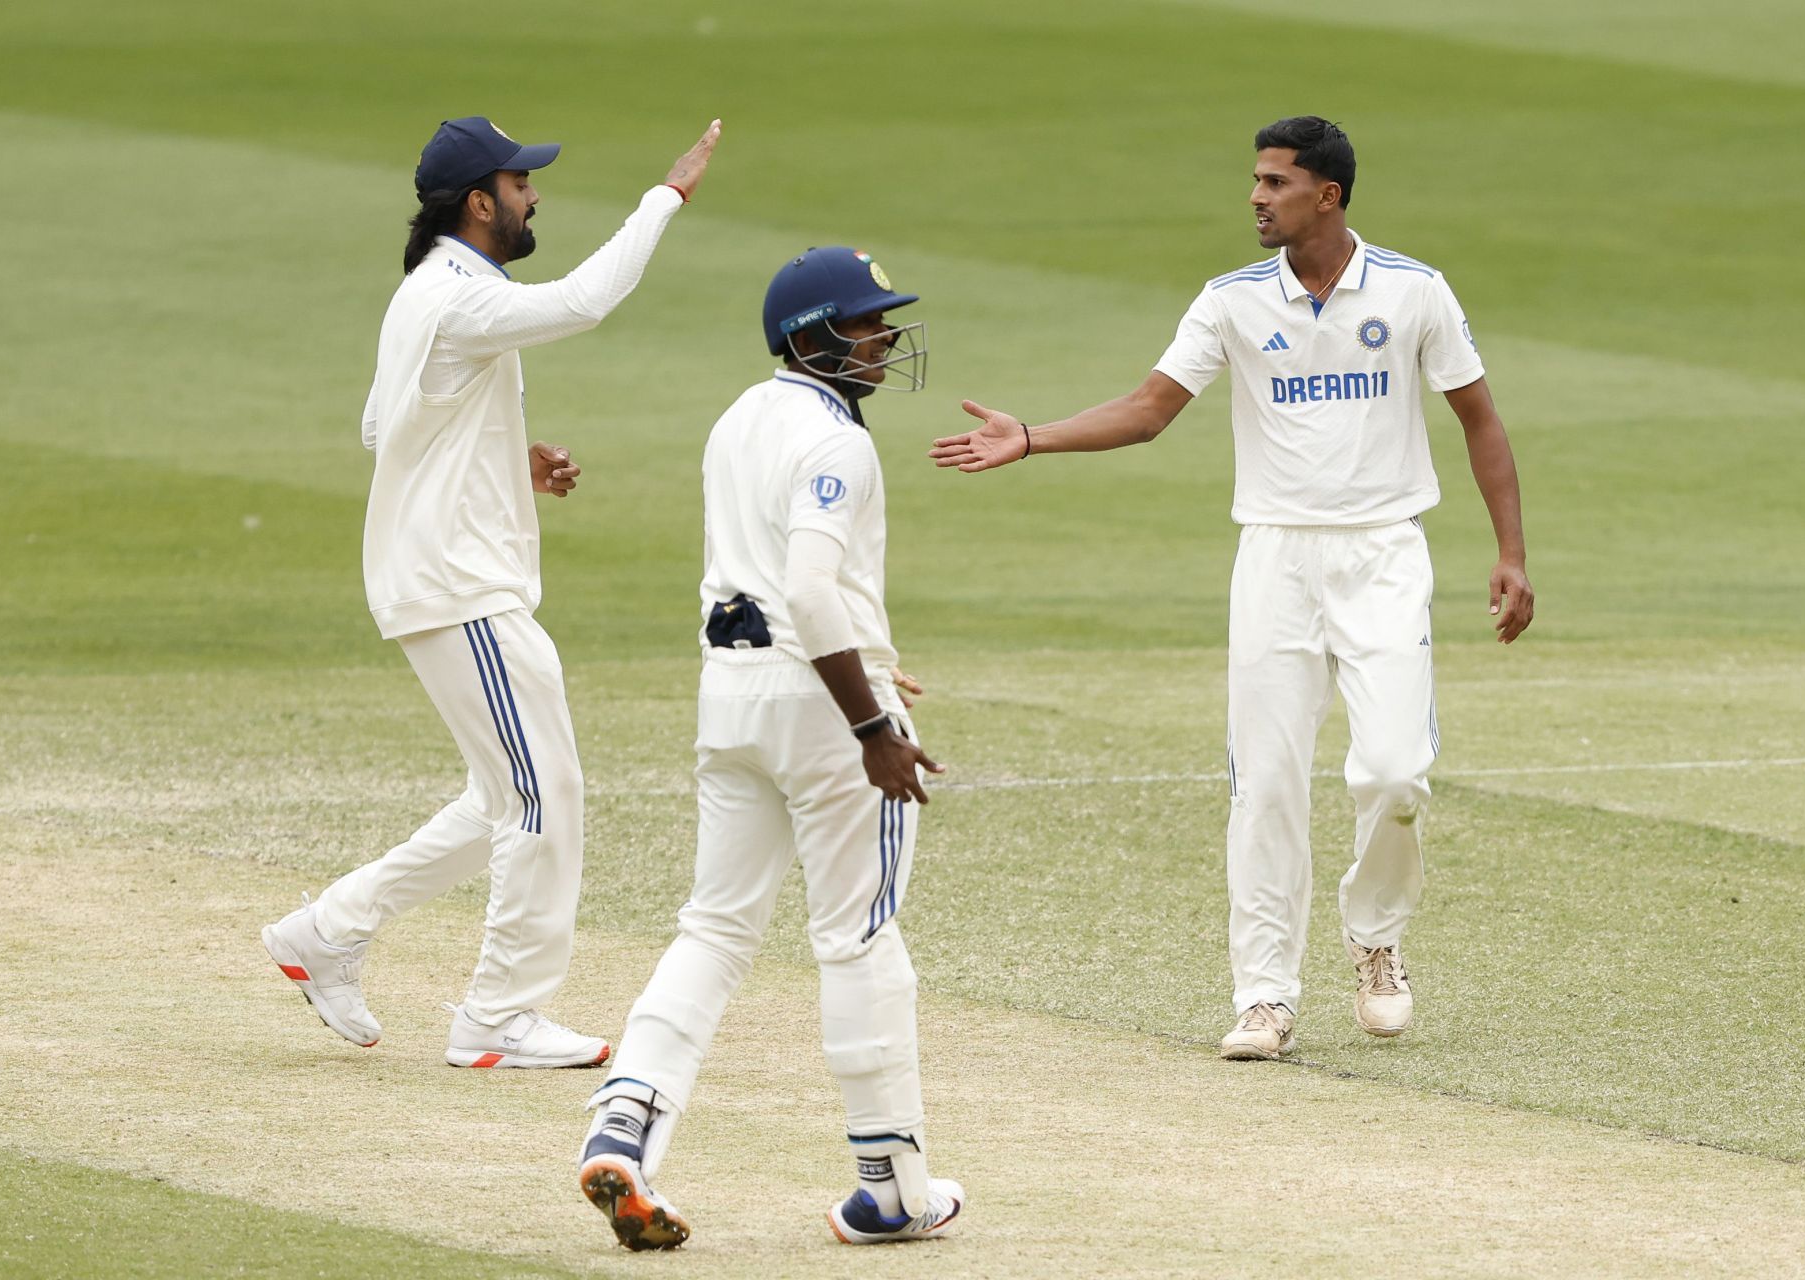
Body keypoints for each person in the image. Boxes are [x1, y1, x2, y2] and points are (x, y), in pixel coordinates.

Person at [929, 116, 1534, 1060]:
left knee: (1393, 772)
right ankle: (1265, 998)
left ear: (1325, 196)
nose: (1256, 197)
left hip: (1382, 552)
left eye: (1275, 183)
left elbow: (1480, 419)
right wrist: (1033, 436)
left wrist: (1511, 552)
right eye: (1254, 181)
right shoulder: (1230, 301)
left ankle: (1374, 934)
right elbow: (1147, 411)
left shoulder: (1416, 291)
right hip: (1276, 558)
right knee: (1265, 782)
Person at [261, 114, 722, 1069]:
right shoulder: (456, 299)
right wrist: (663, 197)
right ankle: (499, 1018)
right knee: (543, 800)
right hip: (459, 590)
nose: (534, 194)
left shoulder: (431, 294)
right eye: (521, 183)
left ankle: (326, 932)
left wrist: (510, 463)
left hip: (446, 584)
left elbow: (385, 430)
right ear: (480, 202)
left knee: (502, 798)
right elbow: (587, 300)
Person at [573, 247, 962, 1251]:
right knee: (857, 935)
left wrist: (872, 655)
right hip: (823, 712)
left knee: (713, 927)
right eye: (867, 322)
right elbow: (807, 589)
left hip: (731, 699)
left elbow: (771, 579)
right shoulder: (841, 445)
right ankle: (890, 1186)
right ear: (812, 336)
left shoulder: (739, 416)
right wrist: (872, 722)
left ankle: (625, 1123)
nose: (883, 337)